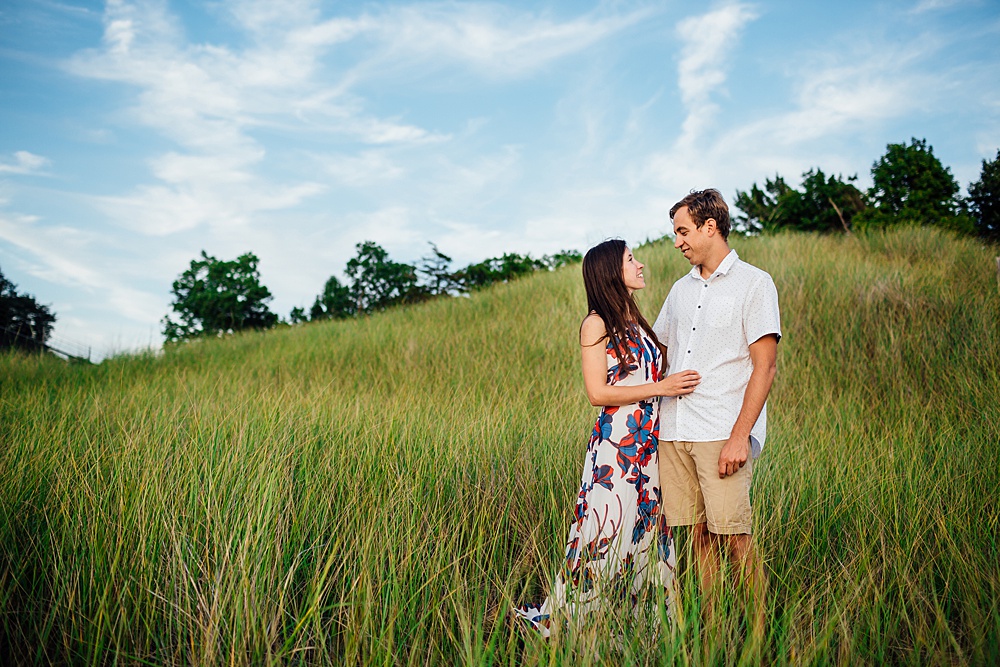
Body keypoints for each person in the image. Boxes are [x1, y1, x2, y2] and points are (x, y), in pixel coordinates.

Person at [514, 239, 701, 637]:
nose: (640, 264)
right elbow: (597, 393)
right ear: (609, 272)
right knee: (607, 526)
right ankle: (576, 621)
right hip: (618, 445)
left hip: (649, 443)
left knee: (647, 528)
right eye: (631, 259)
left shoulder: (634, 320)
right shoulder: (596, 323)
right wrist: (661, 388)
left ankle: (642, 624)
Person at [652, 189, 780, 629]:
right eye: (675, 233)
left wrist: (740, 435)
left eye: (683, 231)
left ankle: (761, 636)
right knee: (700, 538)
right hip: (673, 430)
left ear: (711, 227)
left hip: (720, 432)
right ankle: (713, 628)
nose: (677, 242)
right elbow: (659, 350)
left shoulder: (755, 283)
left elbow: (765, 367)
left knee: (736, 536)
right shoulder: (678, 289)